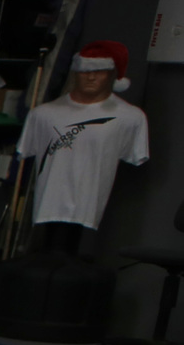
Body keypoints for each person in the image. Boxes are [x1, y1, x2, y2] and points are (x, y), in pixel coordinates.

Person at [17, 39, 149, 254]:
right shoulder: (42, 115)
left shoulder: (131, 118)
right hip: (47, 208)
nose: (91, 77)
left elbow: (135, 157)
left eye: (99, 71)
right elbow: (26, 151)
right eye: (84, 71)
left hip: (93, 212)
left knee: (77, 265)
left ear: (113, 75)